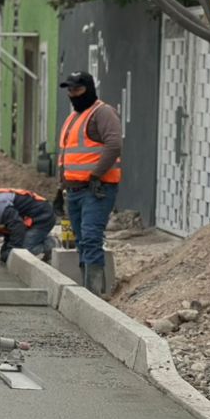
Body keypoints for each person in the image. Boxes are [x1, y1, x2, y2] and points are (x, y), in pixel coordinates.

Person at [58, 71, 123, 296]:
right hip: (74, 190)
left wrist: (96, 175)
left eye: (77, 89)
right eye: (70, 90)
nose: (73, 94)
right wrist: (60, 187)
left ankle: (94, 294)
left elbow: (114, 145)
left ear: (89, 89)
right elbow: (67, 155)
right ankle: (88, 293)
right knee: (81, 241)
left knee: (91, 238)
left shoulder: (102, 113)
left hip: (96, 189)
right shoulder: (74, 117)